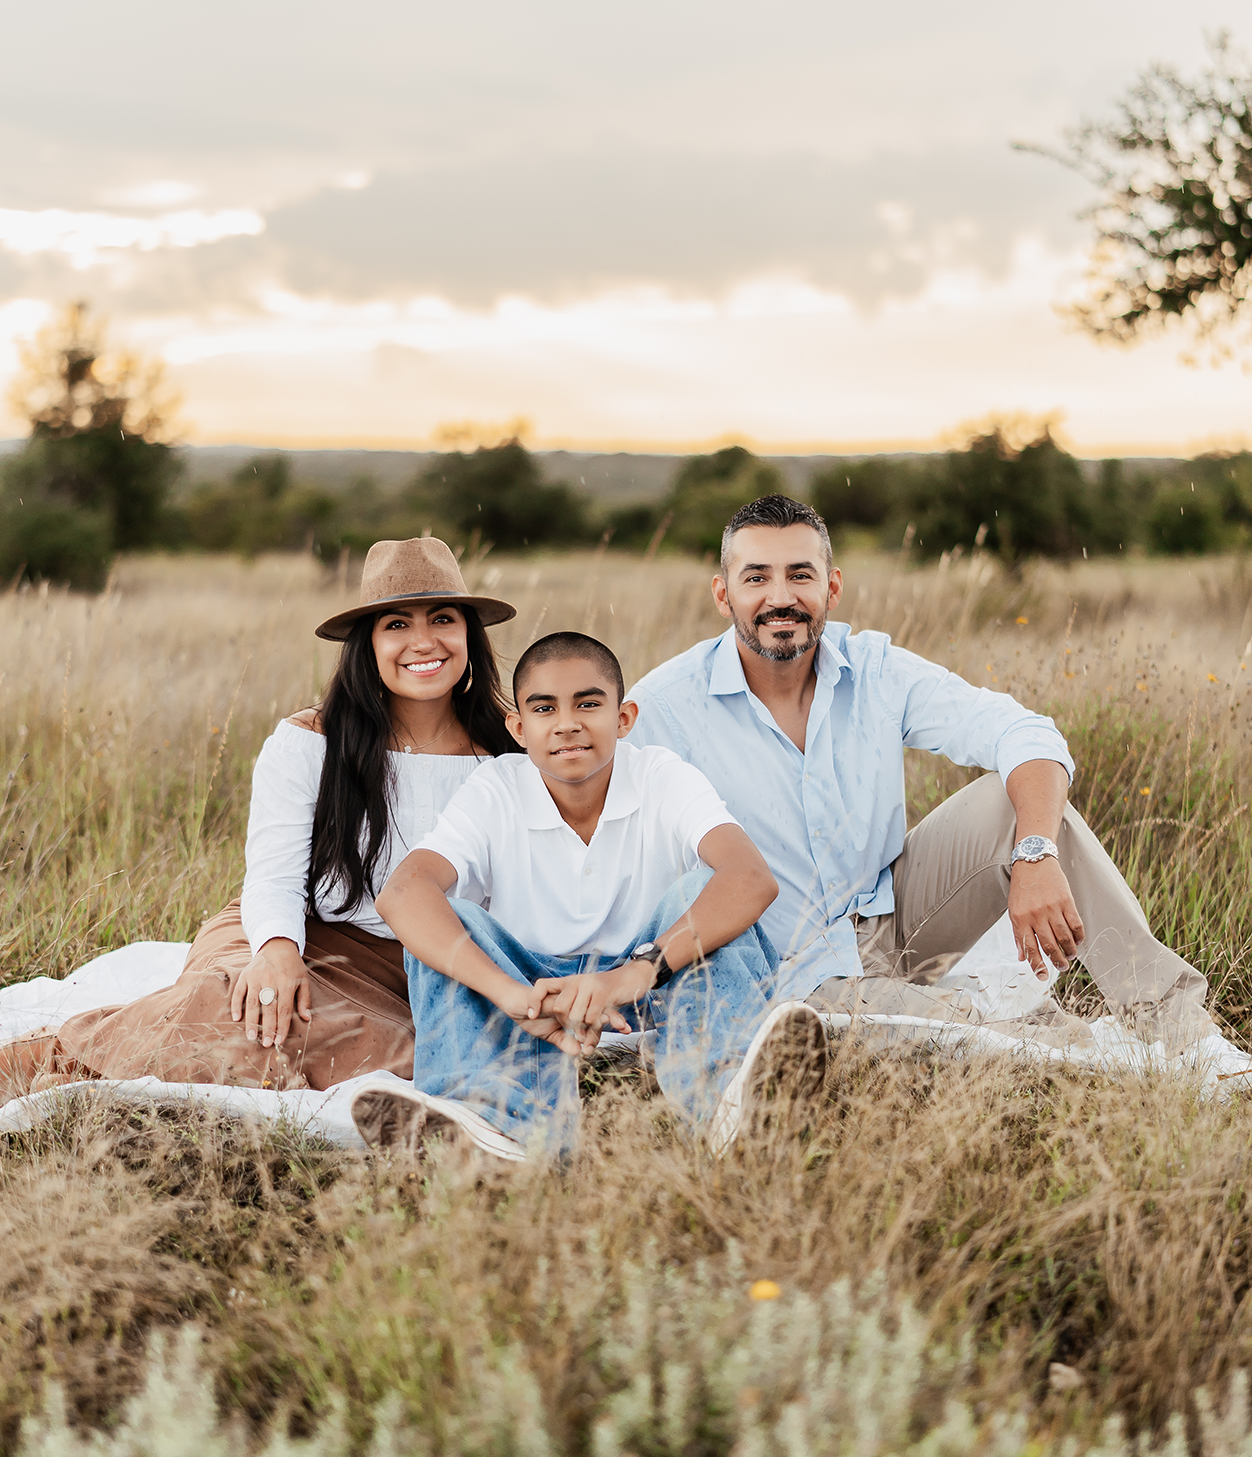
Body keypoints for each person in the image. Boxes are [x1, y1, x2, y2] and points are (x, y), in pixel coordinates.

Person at [627, 493, 1251, 1081]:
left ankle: (1182, 1033)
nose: (780, 597)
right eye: (756, 577)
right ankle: (1096, 1056)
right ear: (723, 594)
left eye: (800, 575)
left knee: (1022, 807)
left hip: (889, 916)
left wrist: (1034, 853)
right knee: (994, 1040)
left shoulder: (874, 669)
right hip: (789, 968)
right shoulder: (664, 706)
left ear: (831, 586)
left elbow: (1022, 732)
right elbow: (580, 805)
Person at [0, 538, 516, 1096]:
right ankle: (54, 1059)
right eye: (396, 624)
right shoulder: (310, 741)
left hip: (425, 962)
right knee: (243, 1002)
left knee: (395, 1058)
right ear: (367, 644)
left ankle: (96, 1064)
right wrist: (276, 951)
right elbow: (274, 875)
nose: (422, 642)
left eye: (443, 618)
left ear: (470, 634)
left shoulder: (511, 749)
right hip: (297, 930)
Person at [350, 631, 828, 1161]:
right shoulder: (495, 788)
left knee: (701, 891)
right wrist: (510, 993)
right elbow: (403, 892)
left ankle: (733, 1106)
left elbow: (749, 877)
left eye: (588, 704)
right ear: (519, 727)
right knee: (449, 918)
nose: (567, 723)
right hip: (533, 988)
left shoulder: (662, 775)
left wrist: (634, 973)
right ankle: (498, 1133)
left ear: (623, 719)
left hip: (654, 978)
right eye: (544, 708)